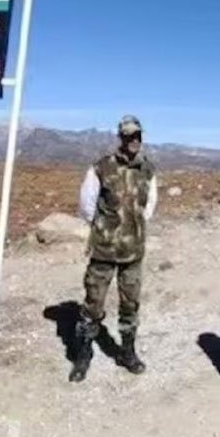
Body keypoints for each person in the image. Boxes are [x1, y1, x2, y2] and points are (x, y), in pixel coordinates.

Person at [69, 114, 158, 383]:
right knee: (93, 303)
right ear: (120, 138)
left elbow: (149, 205)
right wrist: (105, 229)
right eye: (129, 136)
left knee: (130, 303)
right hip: (104, 250)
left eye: (137, 136)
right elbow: (87, 205)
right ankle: (82, 356)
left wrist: (134, 228)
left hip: (133, 251)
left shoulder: (148, 170)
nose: (134, 141)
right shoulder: (101, 168)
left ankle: (127, 352)